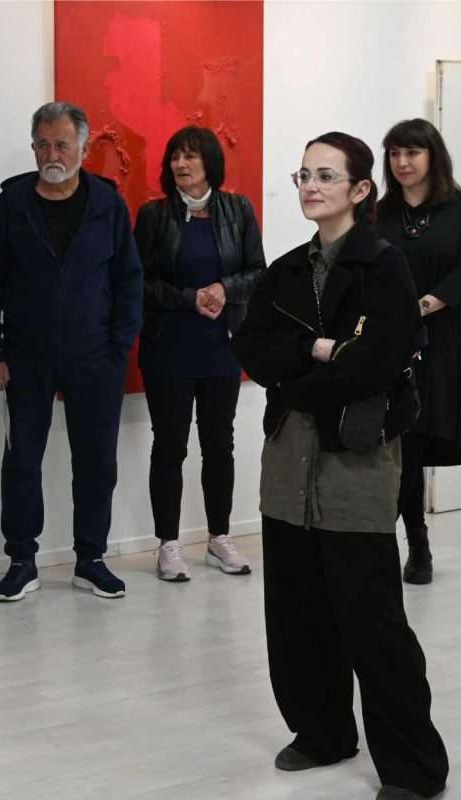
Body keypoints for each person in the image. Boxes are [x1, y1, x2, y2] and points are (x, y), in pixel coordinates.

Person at [232, 132, 449, 800]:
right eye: (303, 175)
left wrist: (300, 369)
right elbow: (253, 349)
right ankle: (323, 733)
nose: (310, 186)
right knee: (296, 612)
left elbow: (376, 363)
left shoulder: (383, 266)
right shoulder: (286, 270)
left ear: (360, 189)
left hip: (356, 460)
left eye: (326, 176)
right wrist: (317, 350)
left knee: (372, 620)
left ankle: (414, 769)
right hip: (287, 461)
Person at [0, 101, 143, 601]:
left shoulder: (108, 204)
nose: (53, 154)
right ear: (33, 148)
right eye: (44, 144)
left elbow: (129, 280)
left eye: (63, 145)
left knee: (97, 463)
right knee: (21, 463)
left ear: (83, 149)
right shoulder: (10, 205)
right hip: (25, 358)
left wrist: (119, 348)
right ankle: (21, 561)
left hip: (97, 358)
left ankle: (90, 559)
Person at [133, 125, 265, 581]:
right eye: (175, 156)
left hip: (221, 345)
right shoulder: (154, 216)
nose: (180, 164)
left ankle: (219, 538)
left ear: (211, 162)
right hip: (168, 345)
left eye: (190, 156)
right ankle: (168, 544)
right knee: (170, 445)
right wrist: (189, 299)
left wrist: (224, 289)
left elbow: (258, 271)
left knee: (219, 444)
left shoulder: (238, 210)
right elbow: (139, 281)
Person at [377, 118, 461, 584]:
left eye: (412, 153)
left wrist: (422, 306)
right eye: (395, 154)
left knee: (423, 435)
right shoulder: (380, 212)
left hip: (444, 336)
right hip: (393, 339)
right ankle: (412, 540)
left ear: (432, 156)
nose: (402, 162)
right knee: (402, 441)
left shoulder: (460, 208)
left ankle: (418, 545)